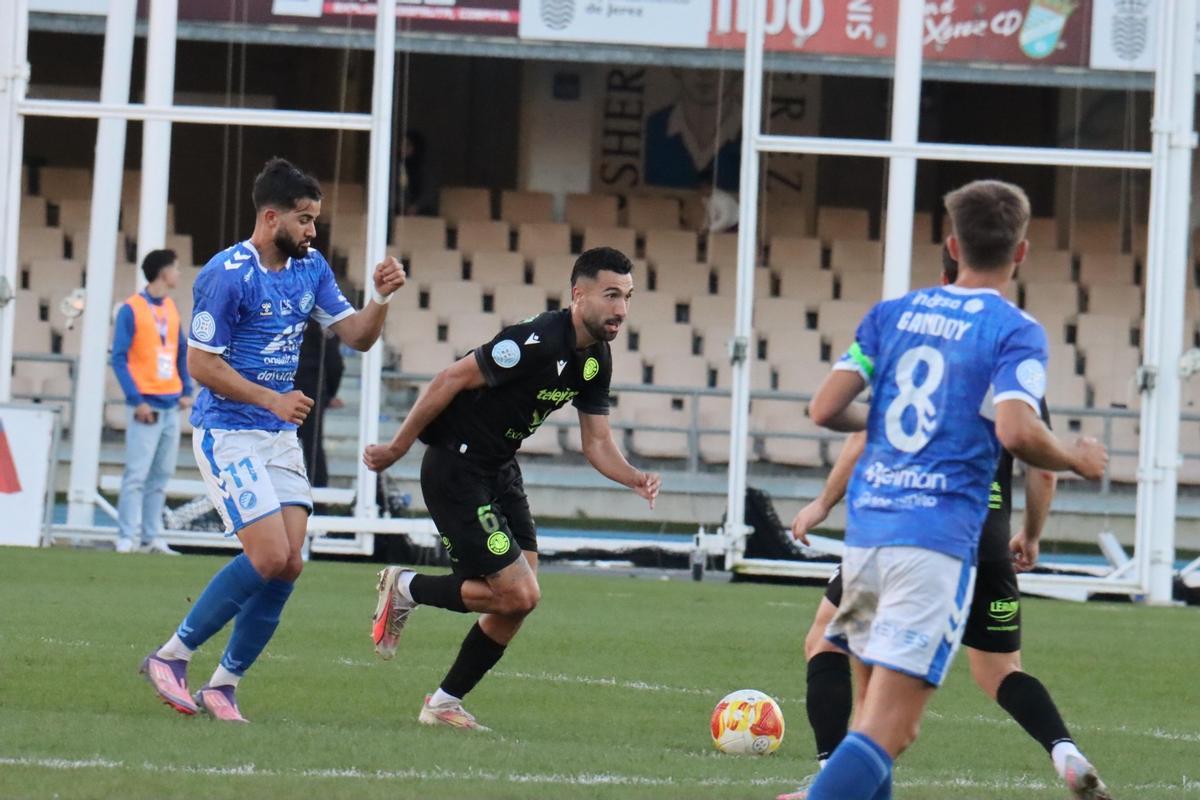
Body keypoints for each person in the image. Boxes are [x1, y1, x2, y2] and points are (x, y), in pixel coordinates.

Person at [796, 179, 1108, 800]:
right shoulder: (1013, 331)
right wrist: (1076, 458)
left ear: (952, 242)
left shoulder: (892, 315)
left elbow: (825, 409)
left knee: (868, 708)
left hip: (869, 534)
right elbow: (1019, 431)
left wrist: (889, 422)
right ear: (1020, 252)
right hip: (935, 544)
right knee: (895, 725)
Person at [138, 157, 406, 722]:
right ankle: (171, 657)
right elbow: (201, 365)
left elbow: (356, 336)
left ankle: (223, 686)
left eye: (314, 220)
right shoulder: (226, 273)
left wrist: (380, 299)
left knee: (290, 564)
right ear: (271, 217)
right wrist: (271, 399)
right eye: (305, 220)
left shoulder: (311, 270)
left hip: (276, 435)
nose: (313, 231)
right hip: (228, 432)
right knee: (266, 555)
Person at [363, 246, 662, 731]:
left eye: (627, 297)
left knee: (520, 597)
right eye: (611, 295)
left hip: (499, 469)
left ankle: (442, 703)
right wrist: (398, 447)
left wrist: (633, 476)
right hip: (457, 468)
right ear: (578, 294)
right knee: (518, 594)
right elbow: (450, 378)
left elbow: (597, 441)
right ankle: (405, 587)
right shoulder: (538, 339)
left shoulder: (596, 359)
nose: (621, 310)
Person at [111, 248, 192, 555]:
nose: (179, 274)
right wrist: (136, 399)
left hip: (170, 404)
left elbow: (181, 350)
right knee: (136, 473)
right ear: (163, 272)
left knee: (160, 475)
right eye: (176, 268)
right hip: (145, 405)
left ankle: (151, 536)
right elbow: (118, 358)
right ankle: (126, 536)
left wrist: (186, 390)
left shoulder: (171, 307)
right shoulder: (130, 309)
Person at [293, 319, 345, 489]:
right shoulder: (323, 319)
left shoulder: (282, 315)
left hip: (279, 389)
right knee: (313, 447)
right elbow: (335, 363)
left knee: (274, 445)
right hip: (312, 391)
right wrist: (329, 394)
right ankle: (319, 500)